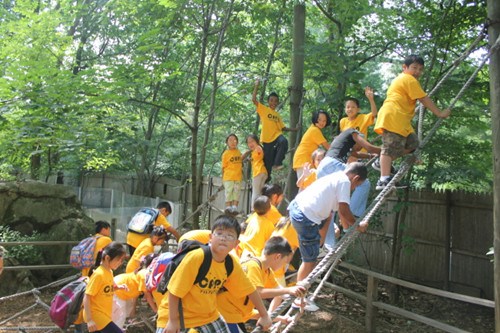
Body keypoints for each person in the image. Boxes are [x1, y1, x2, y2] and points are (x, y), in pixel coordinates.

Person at [156, 214, 272, 333]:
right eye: (219, 233)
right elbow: (174, 291)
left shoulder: (230, 263)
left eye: (230, 235)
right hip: (176, 314)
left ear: (236, 243)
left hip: (206, 315)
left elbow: (250, 290)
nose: (223, 238)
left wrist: (264, 315)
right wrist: (173, 320)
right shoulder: (197, 257)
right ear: (210, 237)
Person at [288, 163, 367, 311]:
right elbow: (344, 209)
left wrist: (347, 228)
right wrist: (358, 225)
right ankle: (299, 298)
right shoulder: (344, 181)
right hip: (306, 217)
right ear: (355, 178)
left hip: (300, 211)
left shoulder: (335, 178)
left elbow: (339, 212)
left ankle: (319, 249)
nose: (354, 188)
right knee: (309, 261)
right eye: (357, 185)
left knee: (311, 255)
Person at [374, 55, 451, 190]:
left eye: (420, 69)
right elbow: (423, 99)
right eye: (414, 68)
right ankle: (383, 179)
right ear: (405, 67)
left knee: (413, 144)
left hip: (402, 120)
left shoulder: (405, 79)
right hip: (393, 116)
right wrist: (439, 113)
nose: (417, 72)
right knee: (388, 148)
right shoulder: (408, 79)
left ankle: (383, 162)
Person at [217, 236, 306, 333]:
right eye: (285, 262)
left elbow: (279, 292)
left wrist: (295, 298)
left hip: (233, 315)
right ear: (277, 257)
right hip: (224, 314)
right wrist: (288, 290)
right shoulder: (252, 266)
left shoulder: (266, 271)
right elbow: (257, 292)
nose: (284, 267)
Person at [316, 128, 381, 250]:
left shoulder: (344, 145)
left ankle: (329, 244)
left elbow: (356, 154)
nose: (358, 148)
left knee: (330, 207)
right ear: (358, 139)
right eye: (359, 145)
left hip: (323, 167)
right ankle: (352, 215)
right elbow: (369, 147)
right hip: (332, 164)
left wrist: (370, 156)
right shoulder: (352, 133)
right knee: (364, 183)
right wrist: (385, 152)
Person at [252, 79, 296, 181]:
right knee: (267, 164)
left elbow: (283, 128)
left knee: (283, 141)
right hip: (267, 140)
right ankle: (265, 182)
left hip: (276, 136)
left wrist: (295, 129)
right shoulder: (264, 110)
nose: (274, 103)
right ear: (268, 101)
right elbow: (254, 100)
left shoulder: (277, 115)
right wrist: (256, 86)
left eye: (276, 101)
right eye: (271, 100)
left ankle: (277, 163)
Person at [83, 241, 128, 333]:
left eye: (122, 260)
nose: (120, 263)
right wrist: (89, 320)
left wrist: (118, 287)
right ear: (107, 258)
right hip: (96, 315)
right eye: (119, 259)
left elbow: (106, 289)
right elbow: (87, 296)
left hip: (103, 315)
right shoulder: (99, 274)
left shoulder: (109, 272)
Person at [113, 255, 157, 328]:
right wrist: (155, 309)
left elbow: (137, 293)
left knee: (126, 312)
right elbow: (148, 295)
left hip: (124, 290)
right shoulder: (145, 275)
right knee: (120, 316)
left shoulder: (142, 272)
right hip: (119, 290)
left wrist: (132, 312)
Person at [292, 110, 331, 178]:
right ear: (315, 119)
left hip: (306, 159)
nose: (322, 122)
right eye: (319, 120)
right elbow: (327, 147)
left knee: (308, 185)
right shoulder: (315, 130)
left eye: (324, 121)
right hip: (303, 160)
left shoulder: (314, 128)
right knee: (305, 186)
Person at [271, 218, 299, 287]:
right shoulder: (296, 228)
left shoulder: (283, 220)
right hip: (277, 266)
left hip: (269, 257)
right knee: (280, 295)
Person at [242, 134, 267, 207]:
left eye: (252, 141)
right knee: (259, 192)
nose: (250, 144)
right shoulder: (254, 151)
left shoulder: (258, 148)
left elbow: (258, 152)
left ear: (257, 141)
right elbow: (256, 157)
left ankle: (253, 209)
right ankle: (260, 208)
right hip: (262, 172)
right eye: (248, 142)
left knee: (255, 192)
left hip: (258, 172)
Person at [222, 134, 243, 214]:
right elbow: (223, 167)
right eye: (230, 140)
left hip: (238, 177)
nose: (233, 142)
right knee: (228, 192)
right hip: (228, 177)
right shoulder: (225, 154)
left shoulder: (238, 152)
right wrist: (222, 178)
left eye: (235, 140)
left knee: (236, 192)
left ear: (237, 142)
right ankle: (228, 207)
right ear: (227, 142)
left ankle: (234, 207)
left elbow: (241, 161)